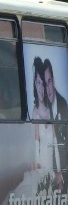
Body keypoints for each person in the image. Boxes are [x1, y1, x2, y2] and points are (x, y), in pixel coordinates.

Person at [32, 58, 61, 187]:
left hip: (51, 169)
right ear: (35, 84)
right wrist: (37, 162)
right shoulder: (35, 113)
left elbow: (56, 144)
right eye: (39, 83)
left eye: (44, 83)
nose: (42, 88)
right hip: (40, 169)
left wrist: (59, 170)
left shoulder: (51, 113)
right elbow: (36, 140)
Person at [44, 58, 68, 190]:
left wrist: (61, 171)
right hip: (48, 166)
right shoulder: (43, 105)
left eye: (49, 82)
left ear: (53, 81)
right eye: (45, 83)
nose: (47, 88)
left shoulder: (63, 104)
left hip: (62, 168)